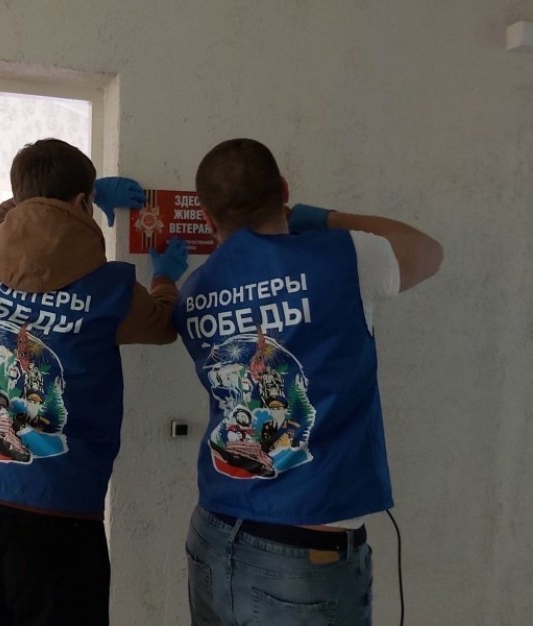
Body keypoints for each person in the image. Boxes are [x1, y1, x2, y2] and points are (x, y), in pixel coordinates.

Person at [173, 138, 443, 625]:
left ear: (207, 217)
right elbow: (429, 252)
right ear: (283, 191)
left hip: (213, 531)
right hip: (306, 550)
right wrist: (326, 218)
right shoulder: (345, 257)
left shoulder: (194, 292)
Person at [0, 138, 189, 626]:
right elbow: (163, 325)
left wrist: (71, 197)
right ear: (82, 203)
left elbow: (6, 213)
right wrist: (165, 279)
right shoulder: (111, 288)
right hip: (57, 515)